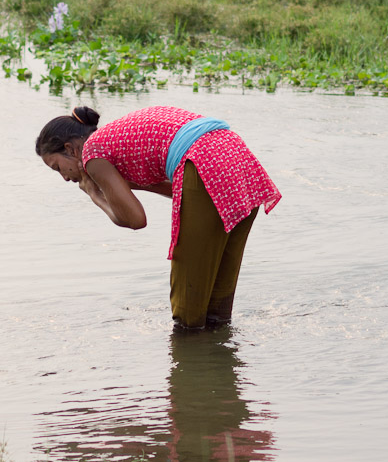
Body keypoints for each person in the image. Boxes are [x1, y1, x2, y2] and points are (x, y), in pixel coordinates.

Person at [35, 106, 281, 330]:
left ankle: (188, 366)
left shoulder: (91, 153)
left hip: (205, 162)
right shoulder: (111, 138)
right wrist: (132, 185)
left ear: (69, 148)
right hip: (238, 159)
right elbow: (185, 190)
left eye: (57, 168)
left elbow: (135, 220)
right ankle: (215, 366)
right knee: (217, 307)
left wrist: (94, 194)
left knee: (188, 312)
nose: (65, 178)